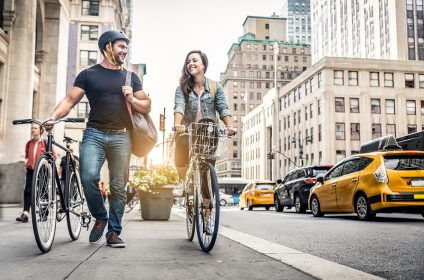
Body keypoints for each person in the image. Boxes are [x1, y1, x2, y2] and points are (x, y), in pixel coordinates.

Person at [46, 30, 151, 248]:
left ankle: (114, 232)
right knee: (88, 177)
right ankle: (100, 216)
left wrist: (131, 98)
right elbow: (69, 100)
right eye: (121, 46)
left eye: (126, 47)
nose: (125, 51)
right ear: (108, 47)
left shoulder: (130, 77)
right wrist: (53, 117)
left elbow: (147, 105)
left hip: (122, 136)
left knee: (119, 186)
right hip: (94, 133)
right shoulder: (88, 74)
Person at [173, 50, 234, 196]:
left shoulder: (215, 86)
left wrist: (229, 125)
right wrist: (177, 124)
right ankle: (182, 181)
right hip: (188, 131)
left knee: (207, 169)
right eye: (188, 62)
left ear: (203, 65)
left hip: (209, 133)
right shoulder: (182, 88)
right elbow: (179, 106)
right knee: (181, 142)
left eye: (194, 60)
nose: (190, 64)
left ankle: (207, 203)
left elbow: (222, 108)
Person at [16, 123, 56, 222]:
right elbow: (26, 155)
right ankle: (25, 214)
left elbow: (54, 156)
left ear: (40, 130)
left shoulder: (46, 143)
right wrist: (26, 162)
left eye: (35, 128)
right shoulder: (29, 143)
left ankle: (43, 214)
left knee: (43, 191)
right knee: (28, 190)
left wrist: (46, 164)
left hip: (42, 171)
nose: (33, 130)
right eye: (32, 128)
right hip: (30, 170)